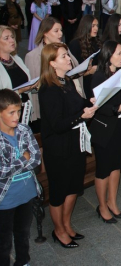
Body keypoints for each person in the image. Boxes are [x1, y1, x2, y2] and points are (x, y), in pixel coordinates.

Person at [38, 43, 97, 248]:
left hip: (74, 143)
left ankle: (66, 224)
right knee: (59, 191)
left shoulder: (67, 82)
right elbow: (57, 124)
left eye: (67, 55)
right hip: (58, 146)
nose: (69, 59)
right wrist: (81, 116)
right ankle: (58, 230)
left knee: (73, 186)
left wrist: (91, 102)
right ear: (52, 63)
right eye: (63, 57)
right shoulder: (48, 89)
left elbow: (79, 104)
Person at [89, 41, 121, 223]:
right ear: (108, 55)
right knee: (104, 168)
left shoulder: (120, 74)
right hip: (104, 128)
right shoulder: (98, 77)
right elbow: (102, 107)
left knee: (117, 166)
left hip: (120, 126)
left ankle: (112, 201)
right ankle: (102, 205)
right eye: (119, 53)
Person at [0, 89, 41, 265]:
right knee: (3, 241)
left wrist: (20, 162)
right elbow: (2, 172)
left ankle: (23, 261)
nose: (17, 116)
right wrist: (23, 158)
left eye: (19, 110)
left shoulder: (23, 129)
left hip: (27, 192)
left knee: (23, 233)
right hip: (6, 198)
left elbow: (36, 159)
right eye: (11, 112)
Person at [26, 18, 86, 134]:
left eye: (61, 30)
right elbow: (32, 87)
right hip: (50, 104)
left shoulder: (64, 48)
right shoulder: (32, 56)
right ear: (45, 33)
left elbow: (74, 67)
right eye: (56, 30)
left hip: (71, 98)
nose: (60, 34)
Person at [0, 26, 37, 116]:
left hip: (24, 110)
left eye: (12, 37)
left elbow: (25, 81)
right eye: (6, 38)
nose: (12, 40)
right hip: (7, 115)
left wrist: (33, 85)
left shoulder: (17, 59)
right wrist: (19, 91)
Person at [68, 15, 101, 99]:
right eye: (93, 26)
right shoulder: (75, 44)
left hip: (96, 83)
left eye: (97, 26)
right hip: (83, 85)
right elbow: (72, 73)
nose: (96, 29)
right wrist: (89, 71)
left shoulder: (97, 42)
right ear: (86, 26)